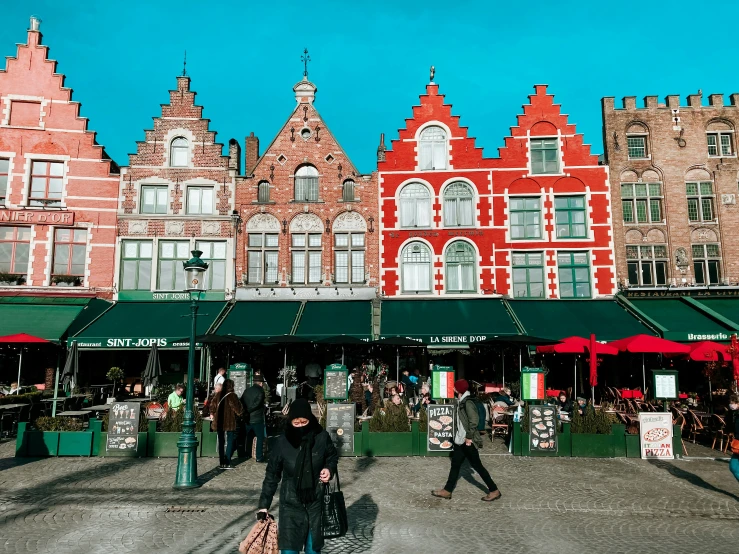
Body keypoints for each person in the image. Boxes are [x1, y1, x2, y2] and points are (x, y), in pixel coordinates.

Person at [257, 398, 338, 554]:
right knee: (289, 551)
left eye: (304, 422)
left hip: (315, 503)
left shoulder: (321, 437)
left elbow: (332, 456)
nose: (301, 426)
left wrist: (329, 469)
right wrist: (263, 505)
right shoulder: (282, 442)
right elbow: (272, 475)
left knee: (313, 549)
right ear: (291, 421)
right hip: (290, 504)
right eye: (296, 423)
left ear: (310, 419)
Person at [432, 380, 501, 502]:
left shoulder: (467, 402)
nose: (453, 388)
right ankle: (447, 491)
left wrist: (469, 437)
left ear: (459, 390)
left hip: (467, 441)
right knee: (455, 465)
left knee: (478, 466)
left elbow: (473, 420)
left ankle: (494, 490)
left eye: (455, 387)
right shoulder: (461, 401)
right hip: (460, 440)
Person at [210, 379, 243, 469]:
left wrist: (213, 413)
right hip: (229, 422)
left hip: (219, 422)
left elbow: (212, 407)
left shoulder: (218, 395)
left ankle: (221, 462)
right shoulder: (232, 396)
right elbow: (238, 410)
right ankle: (227, 461)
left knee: (221, 442)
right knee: (230, 441)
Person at [242, 376, 266, 462]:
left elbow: (242, 401)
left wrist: (245, 411)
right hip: (257, 418)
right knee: (260, 437)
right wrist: (249, 410)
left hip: (248, 418)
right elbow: (257, 404)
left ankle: (247, 453)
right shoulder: (261, 391)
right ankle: (259, 456)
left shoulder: (246, 390)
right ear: (260, 383)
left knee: (248, 436)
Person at [728, 394, 739, 483]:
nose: (731, 405)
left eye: (733, 403)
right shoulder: (733, 413)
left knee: (734, 466)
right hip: (737, 444)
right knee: (733, 466)